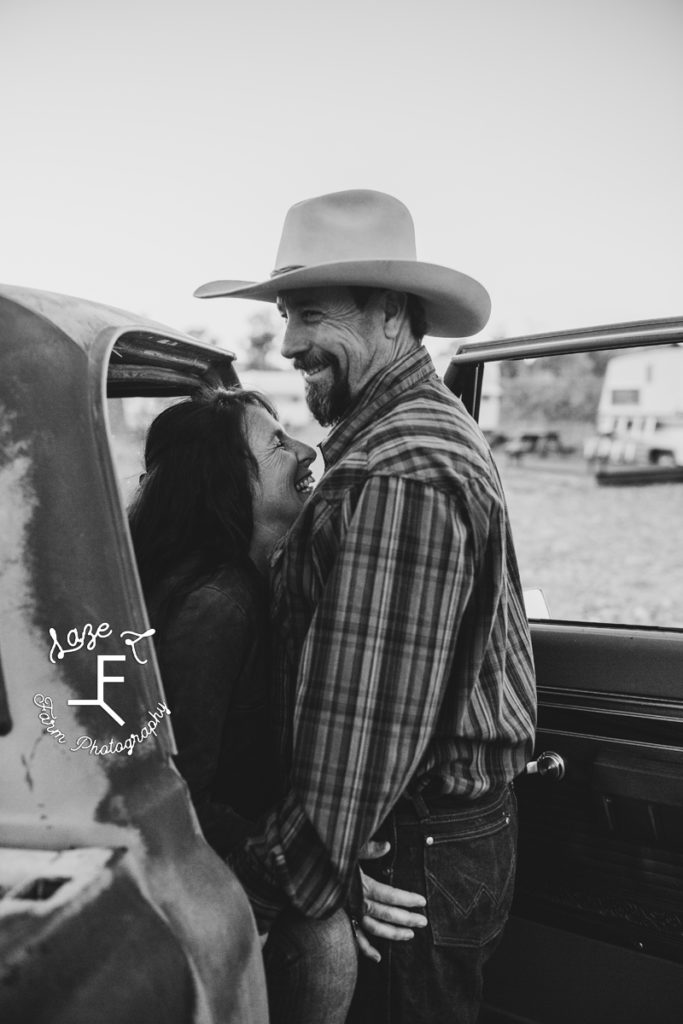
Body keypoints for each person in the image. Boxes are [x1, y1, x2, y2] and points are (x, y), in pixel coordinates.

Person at [194, 189, 537, 1023]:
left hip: (403, 846)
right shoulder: (416, 431)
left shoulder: (395, 468)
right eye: (286, 314)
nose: (292, 342)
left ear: (390, 313)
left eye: (311, 314)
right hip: (409, 834)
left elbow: (360, 729)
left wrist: (271, 890)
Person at [127, 387, 426, 1024]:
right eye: (276, 443)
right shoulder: (219, 606)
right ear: (227, 483)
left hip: (255, 839)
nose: (308, 450)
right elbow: (173, 792)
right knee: (324, 947)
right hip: (193, 856)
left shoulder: (267, 579)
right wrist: (308, 874)